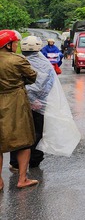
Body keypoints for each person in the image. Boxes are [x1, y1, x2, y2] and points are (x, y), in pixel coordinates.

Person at [9, 35, 56, 171]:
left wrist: (29, 98)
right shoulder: (45, 64)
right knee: (37, 132)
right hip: (38, 105)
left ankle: (15, 162)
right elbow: (49, 84)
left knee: (18, 132)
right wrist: (37, 100)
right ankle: (35, 159)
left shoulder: (17, 61)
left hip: (20, 104)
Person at [0, 29, 40, 189]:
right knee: (24, 140)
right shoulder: (18, 60)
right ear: (8, 45)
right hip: (16, 102)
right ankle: (22, 179)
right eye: (15, 43)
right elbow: (32, 77)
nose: (17, 45)